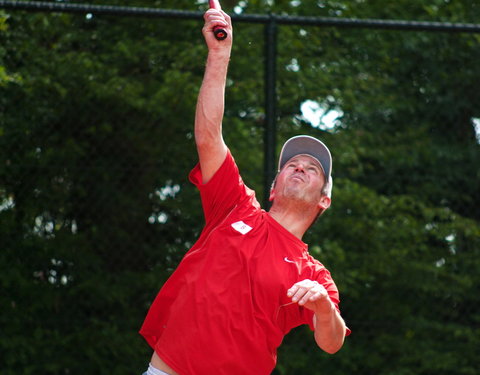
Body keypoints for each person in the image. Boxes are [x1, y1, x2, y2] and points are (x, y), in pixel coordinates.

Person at [140, 7, 350, 375]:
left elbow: (331, 342)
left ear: (324, 200)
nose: (299, 167)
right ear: (273, 187)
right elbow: (208, 138)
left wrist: (323, 307)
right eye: (291, 164)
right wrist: (219, 55)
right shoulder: (235, 206)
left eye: (312, 168)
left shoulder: (314, 275)